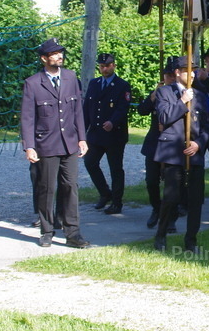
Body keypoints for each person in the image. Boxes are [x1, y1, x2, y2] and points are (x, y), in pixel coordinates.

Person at [20, 38, 90, 249]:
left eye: (61, 53)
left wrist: (82, 138)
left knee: (71, 187)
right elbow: (27, 117)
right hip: (46, 144)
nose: (60, 56)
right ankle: (47, 231)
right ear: (44, 58)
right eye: (54, 54)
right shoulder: (32, 83)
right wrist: (29, 146)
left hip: (69, 143)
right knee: (47, 188)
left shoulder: (70, 77)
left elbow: (78, 110)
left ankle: (73, 233)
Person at [152, 56, 209, 253]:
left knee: (195, 200)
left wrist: (199, 143)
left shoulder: (201, 96)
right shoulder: (164, 92)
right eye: (188, 70)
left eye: (194, 70)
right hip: (173, 153)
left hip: (193, 153)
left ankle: (191, 240)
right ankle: (161, 234)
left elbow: (208, 126)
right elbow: (163, 117)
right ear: (178, 72)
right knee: (171, 197)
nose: (192, 73)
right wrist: (182, 101)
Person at [83, 52, 131, 214]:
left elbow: (123, 108)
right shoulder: (94, 83)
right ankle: (105, 193)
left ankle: (117, 202)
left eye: (108, 66)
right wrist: (82, 131)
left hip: (114, 135)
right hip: (96, 133)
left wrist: (112, 121)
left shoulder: (122, 85)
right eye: (102, 66)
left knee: (115, 169)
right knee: (90, 162)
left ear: (113, 65)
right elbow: (88, 109)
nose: (104, 69)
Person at [137, 58, 177, 230]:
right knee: (151, 181)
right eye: (167, 75)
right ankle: (156, 208)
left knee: (172, 185)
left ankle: (171, 218)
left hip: (173, 143)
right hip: (155, 142)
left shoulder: (181, 94)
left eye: (173, 75)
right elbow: (142, 110)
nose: (171, 79)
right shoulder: (158, 92)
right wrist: (153, 95)